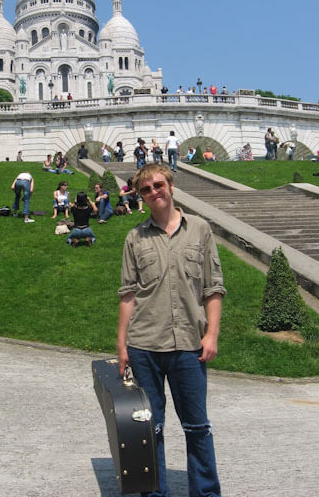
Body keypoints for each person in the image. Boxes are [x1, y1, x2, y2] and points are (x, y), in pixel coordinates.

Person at [117, 163, 226, 497]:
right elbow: (128, 295)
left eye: (158, 185)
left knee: (198, 428)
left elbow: (214, 288)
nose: (154, 192)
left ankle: (205, 493)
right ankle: (155, 493)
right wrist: (121, 346)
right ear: (142, 197)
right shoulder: (135, 237)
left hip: (190, 346)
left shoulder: (201, 229)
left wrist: (212, 335)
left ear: (171, 185)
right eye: (146, 190)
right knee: (151, 430)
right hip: (145, 345)